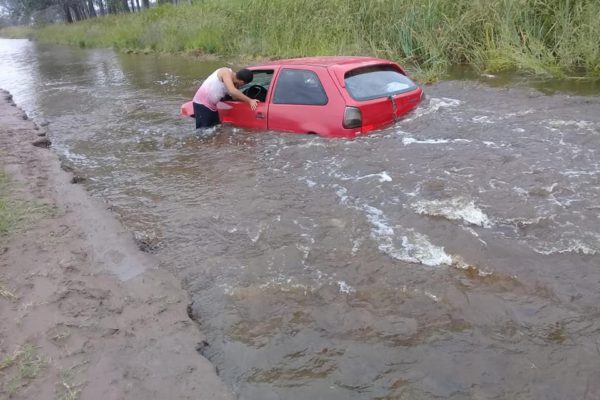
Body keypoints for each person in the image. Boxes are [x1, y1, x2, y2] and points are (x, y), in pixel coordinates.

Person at [192, 67, 258, 129]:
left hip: (212, 107)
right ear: (242, 82)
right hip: (201, 104)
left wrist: (237, 87)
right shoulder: (225, 72)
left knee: (214, 129)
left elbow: (234, 98)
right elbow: (232, 91)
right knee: (204, 131)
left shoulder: (233, 84)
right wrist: (250, 100)